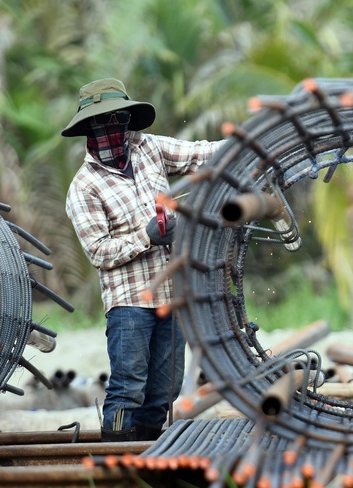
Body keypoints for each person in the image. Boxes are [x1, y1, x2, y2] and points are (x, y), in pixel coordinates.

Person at [62, 78, 223, 442]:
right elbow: (98, 252)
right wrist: (146, 237)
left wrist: (250, 144)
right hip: (129, 303)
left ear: (127, 118)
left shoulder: (148, 148)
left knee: (164, 391)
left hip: (171, 296)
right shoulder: (84, 187)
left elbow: (200, 154)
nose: (113, 128)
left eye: (118, 118)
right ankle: (115, 459)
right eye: (103, 122)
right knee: (129, 386)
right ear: (88, 128)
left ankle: (147, 457)